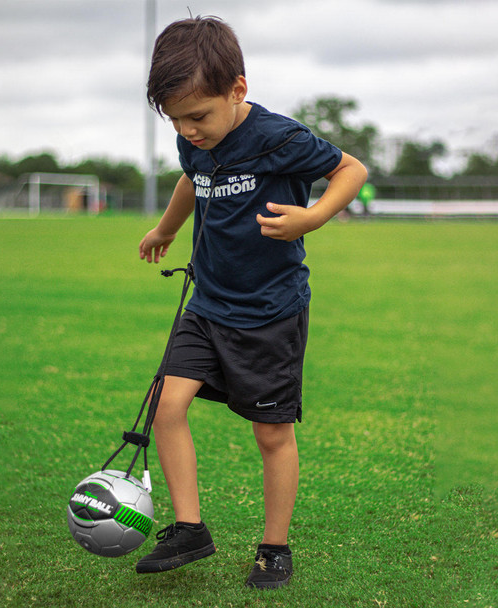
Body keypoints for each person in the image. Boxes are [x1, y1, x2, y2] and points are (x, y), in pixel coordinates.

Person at [136, 16, 367, 589]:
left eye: (198, 117)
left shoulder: (276, 137)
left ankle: (274, 546)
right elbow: (192, 179)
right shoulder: (195, 142)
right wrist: (166, 230)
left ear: (237, 89)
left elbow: (350, 169)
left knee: (271, 434)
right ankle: (190, 528)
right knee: (167, 404)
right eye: (177, 120)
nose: (189, 130)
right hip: (208, 304)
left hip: (269, 312)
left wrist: (312, 216)